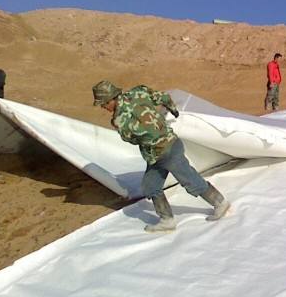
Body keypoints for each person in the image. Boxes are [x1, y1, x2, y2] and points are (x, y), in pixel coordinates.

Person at [93, 80, 230, 233]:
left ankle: (220, 203)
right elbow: (163, 97)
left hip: (166, 152)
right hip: (162, 151)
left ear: (110, 100)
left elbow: (131, 139)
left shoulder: (119, 120)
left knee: (189, 179)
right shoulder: (138, 93)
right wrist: (173, 109)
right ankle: (167, 220)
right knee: (150, 186)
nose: (103, 107)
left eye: (103, 104)